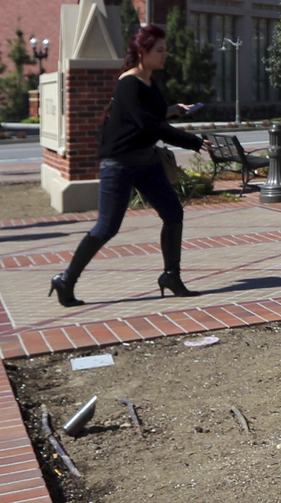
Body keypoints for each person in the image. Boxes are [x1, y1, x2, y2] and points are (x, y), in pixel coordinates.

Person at [49, 24, 205, 307]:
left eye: (165, 50)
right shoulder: (128, 83)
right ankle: (65, 279)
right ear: (142, 51)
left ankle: (171, 276)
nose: (165, 55)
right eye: (160, 50)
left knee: (173, 213)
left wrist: (173, 109)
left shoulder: (149, 82)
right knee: (106, 228)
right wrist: (193, 141)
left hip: (145, 161)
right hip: (119, 164)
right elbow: (148, 124)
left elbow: (151, 115)